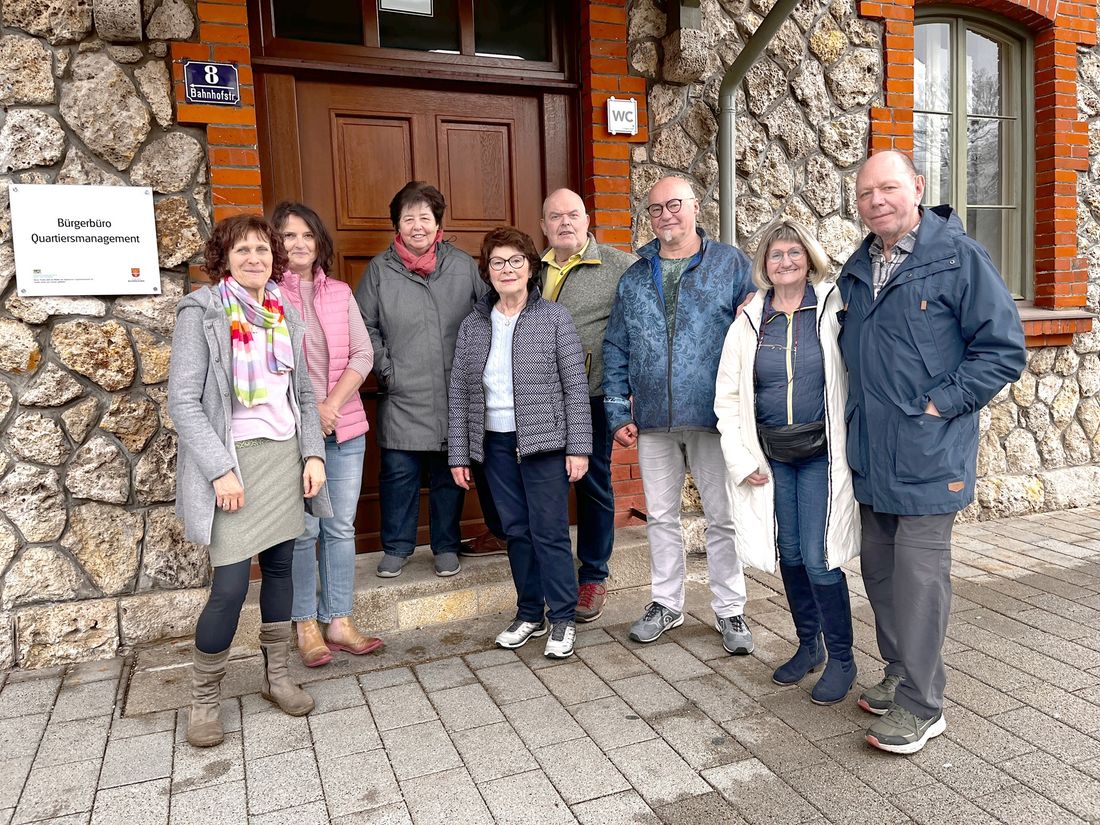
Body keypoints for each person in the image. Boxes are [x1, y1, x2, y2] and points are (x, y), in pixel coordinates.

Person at [840, 150, 1025, 753]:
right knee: (882, 572)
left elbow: (1002, 350)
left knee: (920, 579)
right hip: (873, 453)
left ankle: (924, 706)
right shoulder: (858, 266)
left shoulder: (958, 257)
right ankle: (899, 672)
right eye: (866, 193)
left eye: (888, 188)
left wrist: (941, 404)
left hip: (928, 451)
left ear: (917, 187)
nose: (877, 201)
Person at [169, 214, 331, 748]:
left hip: (286, 460)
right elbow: (184, 402)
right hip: (234, 467)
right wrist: (220, 470)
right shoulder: (203, 311)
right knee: (231, 587)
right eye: (243, 250)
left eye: (264, 249)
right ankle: (204, 700)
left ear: (275, 257)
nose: (255, 258)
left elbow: (304, 395)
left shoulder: (282, 310)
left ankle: (277, 677)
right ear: (225, 256)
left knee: (282, 569)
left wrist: (313, 455)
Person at [603, 176, 754, 654]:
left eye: (675, 205)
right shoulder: (634, 275)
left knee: (722, 517)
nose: (666, 215)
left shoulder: (729, 264)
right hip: (652, 419)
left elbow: (753, 330)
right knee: (662, 516)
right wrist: (614, 405)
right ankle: (666, 603)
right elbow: (616, 344)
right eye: (655, 209)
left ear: (695, 207)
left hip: (713, 415)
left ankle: (730, 611)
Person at [715, 219, 860, 705]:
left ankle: (842, 658)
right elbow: (729, 396)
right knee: (791, 556)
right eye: (776, 255)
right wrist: (740, 458)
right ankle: (809, 647)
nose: (786, 262)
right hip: (773, 458)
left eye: (794, 253)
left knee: (821, 560)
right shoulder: (751, 318)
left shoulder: (833, 308)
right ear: (764, 265)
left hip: (821, 454)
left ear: (810, 258)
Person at [449, 227, 592, 659]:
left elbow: (575, 385)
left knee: (548, 532)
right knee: (515, 531)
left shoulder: (552, 317)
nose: (506, 269)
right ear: (486, 270)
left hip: (544, 441)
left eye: (515, 261)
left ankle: (563, 618)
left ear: (531, 268)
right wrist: (459, 453)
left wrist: (578, 446)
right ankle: (530, 613)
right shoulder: (474, 324)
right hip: (494, 443)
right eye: (497, 262)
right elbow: (459, 389)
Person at [354, 181, 505, 579]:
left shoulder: (460, 265)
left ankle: (445, 545)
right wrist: (387, 368)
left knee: (448, 475)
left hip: (454, 392)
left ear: (438, 223)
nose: (417, 225)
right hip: (402, 392)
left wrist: (476, 367)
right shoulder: (379, 271)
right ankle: (398, 547)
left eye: (425, 217)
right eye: (409, 218)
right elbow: (362, 326)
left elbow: (487, 314)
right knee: (398, 474)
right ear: (397, 225)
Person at [272, 201, 384, 668]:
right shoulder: (266, 297)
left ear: (319, 243)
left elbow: (363, 353)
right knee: (303, 531)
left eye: (307, 236)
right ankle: (305, 624)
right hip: (292, 435)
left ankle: (338, 618)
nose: (299, 244)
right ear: (276, 243)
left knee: (339, 527)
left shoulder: (339, 292)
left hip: (344, 428)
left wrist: (331, 406)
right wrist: (308, 415)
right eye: (288, 236)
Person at [538, 188, 637, 622]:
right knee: (543, 483)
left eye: (573, 214)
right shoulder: (529, 267)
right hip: (537, 396)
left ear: (587, 218)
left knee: (593, 484)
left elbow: (642, 328)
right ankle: (552, 574)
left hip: (591, 394)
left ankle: (593, 575)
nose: (565, 223)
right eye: (555, 216)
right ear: (543, 225)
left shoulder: (619, 266)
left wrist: (629, 391)